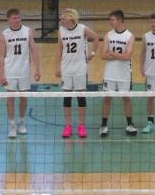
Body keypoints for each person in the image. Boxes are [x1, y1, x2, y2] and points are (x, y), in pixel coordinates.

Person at [56, 8, 99, 138]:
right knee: (67, 97)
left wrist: (92, 53)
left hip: (80, 67)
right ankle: (68, 126)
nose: (61, 20)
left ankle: (81, 126)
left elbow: (96, 37)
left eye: (63, 18)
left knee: (81, 97)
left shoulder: (82, 29)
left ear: (71, 18)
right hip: (66, 68)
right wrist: (57, 67)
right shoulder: (61, 31)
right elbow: (59, 50)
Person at [0, 8, 41, 138]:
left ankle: (22, 123)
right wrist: (1, 74)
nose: (17, 20)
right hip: (10, 71)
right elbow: (1, 55)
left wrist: (37, 68)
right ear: (9, 20)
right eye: (14, 18)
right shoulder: (4, 34)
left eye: (18, 17)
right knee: (10, 99)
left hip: (24, 70)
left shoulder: (28, 31)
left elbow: (33, 50)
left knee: (23, 98)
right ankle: (12, 125)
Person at [100, 10, 136, 136]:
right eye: (110, 20)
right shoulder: (108, 35)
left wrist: (112, 53)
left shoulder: (129, 36)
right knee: (107, 99)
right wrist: (119, 55)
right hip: (110, 74)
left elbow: (127, 57)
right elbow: (103, 55)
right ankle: (104, 125)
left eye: (112, 19)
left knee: (126, 99)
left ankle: (130, 125)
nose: (110, 22)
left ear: (120, 20)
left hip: (124, 74)